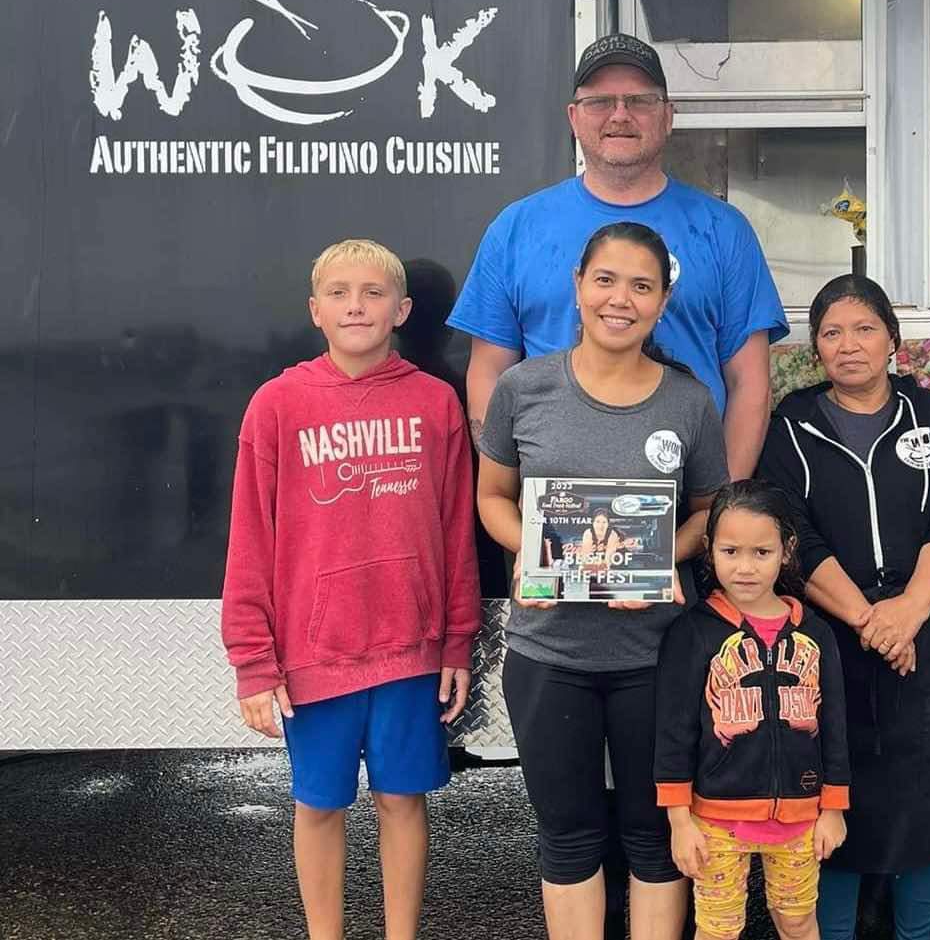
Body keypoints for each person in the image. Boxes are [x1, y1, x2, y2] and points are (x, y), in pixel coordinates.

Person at [221, 238, 481, 940]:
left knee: (403, 800)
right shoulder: (277, 405)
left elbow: (457, 530)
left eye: (372, 292)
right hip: (316, 654)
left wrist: (457, 640)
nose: (356, 305)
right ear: (315, 310)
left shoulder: (435, 404)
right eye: (339, 292)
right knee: (319, 805)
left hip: (411, 649)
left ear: (402, 308)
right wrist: (253, 658)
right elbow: (250, 539)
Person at [475, 221, 730, 940]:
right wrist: (527, 546)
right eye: (607, 280)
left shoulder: (688, 402)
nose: (622, 299)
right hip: (549, 654)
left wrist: (662, 559)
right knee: (568, 834)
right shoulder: (524, 389)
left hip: (656, 656)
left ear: (662, 300)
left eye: (642, 285)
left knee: (655, 836)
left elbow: (712, 511)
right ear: (579, 287)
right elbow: (491, 496)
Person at [756, 275, 930, 940]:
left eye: (864, 328)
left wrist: (909, 612)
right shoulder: (791, 425)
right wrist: (869, 621)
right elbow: (792, 533)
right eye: (831, 331)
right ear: (815, 347)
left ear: (892, 337)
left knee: (928, 809)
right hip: (830, 641)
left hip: (929, 635)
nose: (848, 344)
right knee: (832, 810)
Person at [450, 32, 788, 481]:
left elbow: (749, 385)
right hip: (556, 516)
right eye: (600, 101)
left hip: (689, 513)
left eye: (640, 101)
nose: (620, 115)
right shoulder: (516, 229)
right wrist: (513, 496)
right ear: (573, 117)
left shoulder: (724, 231)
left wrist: (720, 516)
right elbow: (489, 371)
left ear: (668, 116)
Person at [655, 480, 850, 940]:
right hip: (716, 818)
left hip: (801, 816)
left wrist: (833, 808)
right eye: (730, 551)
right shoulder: (693, 633)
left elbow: (836, 725)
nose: (744, 568)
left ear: (787, 551)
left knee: (798, 920)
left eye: (761, 552)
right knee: (719, 929)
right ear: (709, 550)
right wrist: (679, 821)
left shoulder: (815, 633)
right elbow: (673, 731)